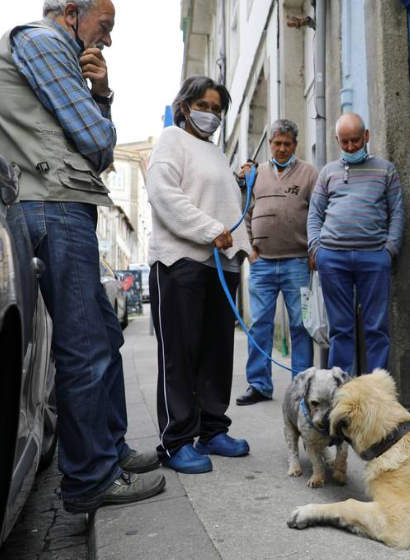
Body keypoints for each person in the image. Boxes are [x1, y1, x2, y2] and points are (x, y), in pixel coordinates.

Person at [0, 0, 165, 513]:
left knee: (101, 336)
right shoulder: (43, 41)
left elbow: (96, 153)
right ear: (72, 11)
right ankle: (91, 478)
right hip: (51, 206)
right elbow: (97, 140)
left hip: (65, 205)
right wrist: (99, 102)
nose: (108, 39)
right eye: (105, 26)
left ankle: (108, 453)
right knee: (83, 347)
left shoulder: (62, 52)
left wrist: (102, 92)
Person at [147, 76, 252, 474]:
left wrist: (242, 245)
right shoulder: (171, 140)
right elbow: (164, 195)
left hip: (220, 267)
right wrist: (211, 231)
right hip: (181, 262)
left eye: (217, 109)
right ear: (185, 105)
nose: (211, 114)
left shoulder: (215, 152)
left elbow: (227, 205)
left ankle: (212, 429)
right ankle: (175, 441)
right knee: (180, 354)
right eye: (204, 106)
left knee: (215, 352)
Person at [307, 113, 404, 374]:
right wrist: (316, 247)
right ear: (337, 140)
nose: (350, 147)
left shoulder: (386, 170)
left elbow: (397, 212)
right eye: (345, 142)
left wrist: (389, 251)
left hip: (374, 257)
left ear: (367, 136)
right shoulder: (328, 172)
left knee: (376, 328)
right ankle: (339, 391)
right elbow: (315, 213)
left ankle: (376, 391)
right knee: (340, 328)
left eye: (356, 141)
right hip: (332, 258)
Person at [235, 119, 317, 405]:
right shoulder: (255, 174)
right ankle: (259, 384)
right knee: (260, 324)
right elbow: (245, 211)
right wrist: (250, 250)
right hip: (262, 264)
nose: (281, 148)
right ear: (269, 144)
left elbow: (318, 214)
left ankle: (303, 386)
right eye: (276, 143)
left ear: (295, 145)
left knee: (300, 326)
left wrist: (312, 251)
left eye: (287, 144)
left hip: (297, 262)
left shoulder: (309, 174)